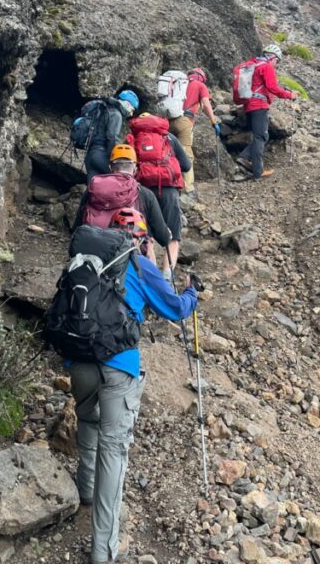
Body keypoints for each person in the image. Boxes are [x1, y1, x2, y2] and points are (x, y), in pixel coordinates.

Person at [68, 208, 197, 564]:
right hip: (119, 366)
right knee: (114, 450)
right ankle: (102, 551)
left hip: (79, 360)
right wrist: (192, 296)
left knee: (88, 421)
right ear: (141, 239)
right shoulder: (140, 266)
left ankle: (84, 490)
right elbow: (174, 309)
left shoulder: (88, 260)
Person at [73, 144, 171, 263]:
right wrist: (167, 236)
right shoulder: (144, 194)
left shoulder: (93, 189)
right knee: (148, 243)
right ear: (135, 169)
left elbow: (77, 226)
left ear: (110, 167)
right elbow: (162, 236)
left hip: (90, 251)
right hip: (124, 256)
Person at [127, 113, 191, 280]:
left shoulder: (134, 137)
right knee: (173, 235)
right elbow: (186, 165)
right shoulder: (167, 137)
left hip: (143, 191)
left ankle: (152, 277)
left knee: (146, 235)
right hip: (169, 190)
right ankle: (167, 277)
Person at [235, 44, 295, 180]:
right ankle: (257, 171)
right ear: (272, 57)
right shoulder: (266, 66)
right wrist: (289, 95)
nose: (276, 64)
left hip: (249, 105)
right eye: (277, 61)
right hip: (259, 105)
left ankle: (244, 158)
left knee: (262, 136)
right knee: (260, 137)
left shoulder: (253, 65)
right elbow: (272, 87)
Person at [167, 68, 219, 197]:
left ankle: (169, 182)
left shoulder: (177, 83)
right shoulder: (200, 85)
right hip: (184, 121)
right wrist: (213, 120)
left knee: (169, 154)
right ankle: (188, 188)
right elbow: (206, 105)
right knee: (186, 155)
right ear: (202, 77)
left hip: (167, 121)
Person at [84, 90, 139, 180]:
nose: (131, 113)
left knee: (93, 188)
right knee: (122, 180)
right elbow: (112, 138)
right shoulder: (116, 114)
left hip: (90, 155)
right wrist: (117, 158)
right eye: (132, 109)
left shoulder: (104, 108)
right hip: (101, 155)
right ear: (127, 104)